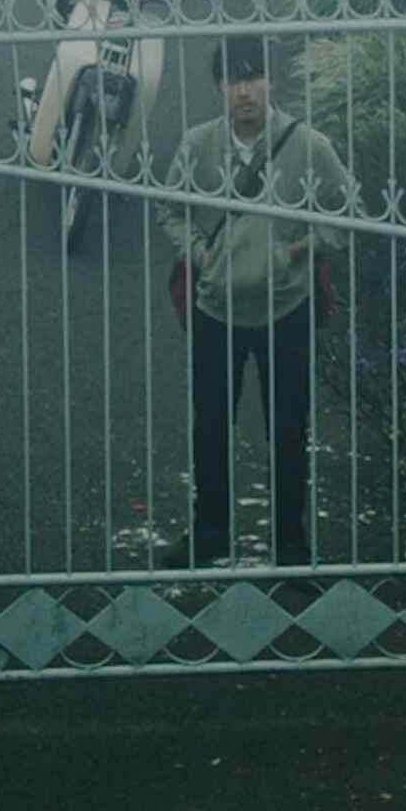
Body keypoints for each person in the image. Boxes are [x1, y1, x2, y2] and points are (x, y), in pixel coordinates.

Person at [156, 34, 354, 570]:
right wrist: (200, 254)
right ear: (220, 87)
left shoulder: (307, 145)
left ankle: (290, 544)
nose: (244, 90)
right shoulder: (199, 145)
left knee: (288, 429)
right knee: (210, 426)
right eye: (233, 79)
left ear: (271, 81)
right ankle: (210, 532)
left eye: (253, 76)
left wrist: (295, 250)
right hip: (215, 308)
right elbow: (171, 211)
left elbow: (345, 213)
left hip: (286, 307)